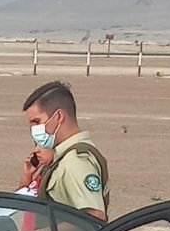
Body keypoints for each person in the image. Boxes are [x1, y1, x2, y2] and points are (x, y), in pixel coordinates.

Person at [21, 80, 109, 221]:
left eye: (37, 122)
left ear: (59, 117)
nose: (34, 130)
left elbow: (94, 218)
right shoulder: (61, 156)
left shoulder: (76, 161)